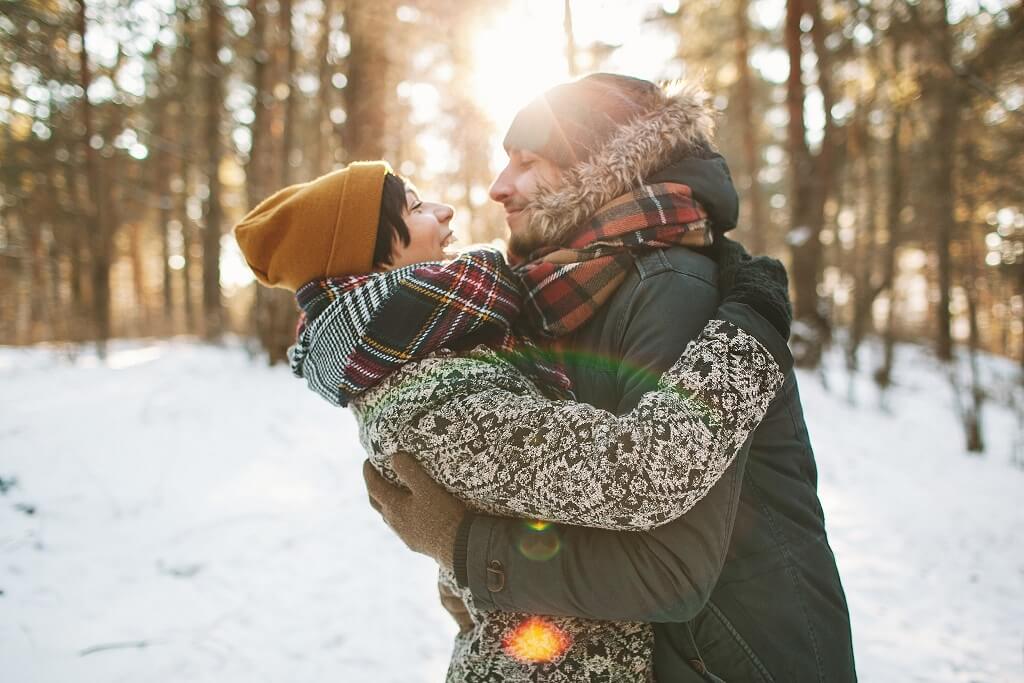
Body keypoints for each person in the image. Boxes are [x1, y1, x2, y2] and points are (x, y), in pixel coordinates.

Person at [367, 74, 858, 681]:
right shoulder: (564, 289)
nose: (498, 187)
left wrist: (464, 548)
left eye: (528, 162)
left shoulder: (671, 287)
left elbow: (667, 570)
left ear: (597, 170)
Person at [233, 160, 794, 680]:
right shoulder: (435, 401)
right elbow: (639, 475)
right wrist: (751, 329)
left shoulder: (428, 359)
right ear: (369, 256)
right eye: (414, 208)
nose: (444, 211)